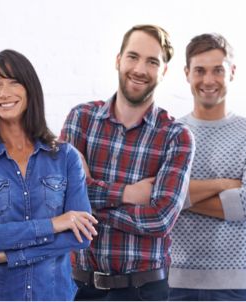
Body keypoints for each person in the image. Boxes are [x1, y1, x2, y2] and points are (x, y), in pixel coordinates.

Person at [60, 24, 194, 301]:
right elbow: (60, 196)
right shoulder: (81, 119)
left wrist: (86, 207)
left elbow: (160, 219)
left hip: (144, 291)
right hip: (79, 288)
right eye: (133, 57)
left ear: (164, 71)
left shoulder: (177, 137)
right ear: (118, 59)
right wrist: (128, 194)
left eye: (152, 62)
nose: (140, 69)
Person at [0, 49, 95, 301]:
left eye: (13, 82)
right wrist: (53, 224)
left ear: (30, 88)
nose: (3, 93)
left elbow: (81, 234)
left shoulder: (65, 157)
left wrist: (10, 255)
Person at [167, 33, 246, 301]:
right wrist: (224, 184)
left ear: (232, 72)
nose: (208, 80)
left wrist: (179, 197)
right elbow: (155, 199)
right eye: (200, 71)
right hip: (174, 284)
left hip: (236, 287)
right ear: (186, 73)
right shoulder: (169, 133)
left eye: (217, 70)